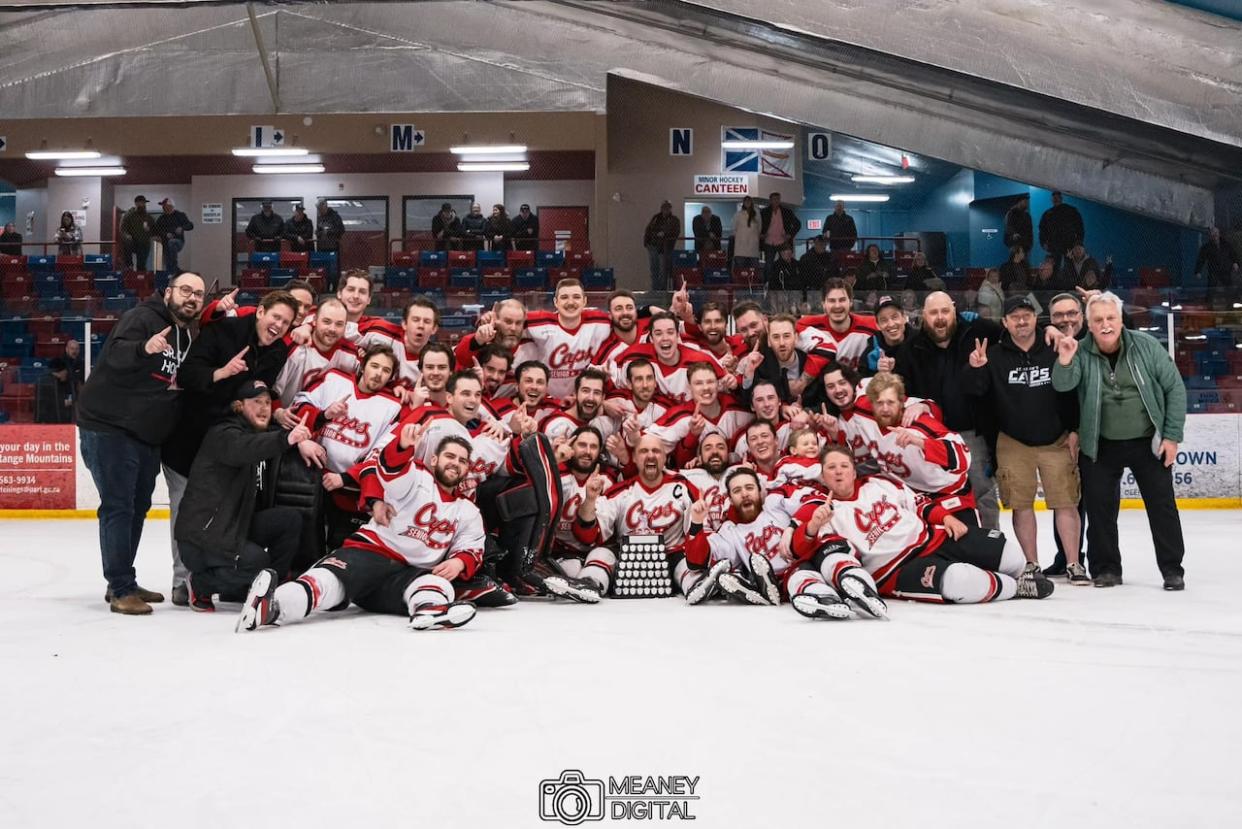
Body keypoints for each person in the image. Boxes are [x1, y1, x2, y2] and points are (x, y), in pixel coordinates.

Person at [236, 434, 485, 632]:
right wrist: (402, 446)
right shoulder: (417, 476)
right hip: (369, 553)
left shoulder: (467, 510)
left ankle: (430, 613)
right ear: (434, 460)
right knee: (328, 581)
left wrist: (458, 561)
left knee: (438, 583)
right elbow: (390, 469)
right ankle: (271, 607)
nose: (455, 463)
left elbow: (472, 544)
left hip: (406, 576)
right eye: (450, 456)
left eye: (462, 461)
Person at [77, 271, 205, 614]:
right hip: (109, 427)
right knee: (119, 506)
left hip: (144, 435)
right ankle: (120, 589)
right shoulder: (143, 318)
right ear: (168, 293)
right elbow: (116, 354)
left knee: (137, 508)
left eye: (199, 295)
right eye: (186, 291)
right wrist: (143, 347)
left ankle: (124, 581)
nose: (192, 298)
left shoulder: (184, 334)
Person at [786, 446, 1054, 604]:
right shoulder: (820, 507)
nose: (838, 471)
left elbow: (920, 504)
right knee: (959, 581)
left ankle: (1020, 574)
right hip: (898, 570)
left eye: (844, 465)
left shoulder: (879, 483)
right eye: (831, 468)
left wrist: (945, 517)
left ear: (854, 471)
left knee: (1010, 554)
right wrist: (811, 528)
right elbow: (796, 548)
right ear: (822, 476)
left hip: (933, 538)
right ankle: (1016, 588)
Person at [1052, 291, 1186, 590]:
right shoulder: (1080, 350)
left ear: (1121, 319)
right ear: (1089, 323)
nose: (1105, 324)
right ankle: (1107, 569)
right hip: (1100, 444)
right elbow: (1063, 384)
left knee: (1162, 506)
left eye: (1111, 318)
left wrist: (1172, 436)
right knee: (1100, 510)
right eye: (1098, 320)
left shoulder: (1146, 346)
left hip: (1147, 441)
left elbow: (1174, 389)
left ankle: (1172, 569)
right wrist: (1065, 358)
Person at [963, 295, 1087, 583]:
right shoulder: (992, 356)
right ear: (1005, 322)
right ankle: (1031, 564)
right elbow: (977, 394)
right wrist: (975, 370)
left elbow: (1072, 391)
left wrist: (1074, 429)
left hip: (1056, 439)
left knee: (1066, 502)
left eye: (1027, 315)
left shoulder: (1054, 347)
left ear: (1036, 319)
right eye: (1015, 316)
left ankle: (1074, 563)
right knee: (1021, 504)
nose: (1021, 321)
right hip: (1012, 441)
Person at [176, 379, 318, 612]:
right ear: (239, 406)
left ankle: (269, 589)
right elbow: (245, 447)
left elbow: (268, 439)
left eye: (267, 403)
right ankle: (200, 585)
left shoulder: (256, 433)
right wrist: (288, 439)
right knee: (257, 564)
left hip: (234, 524)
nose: (264, 408)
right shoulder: (224, 433)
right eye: (256, 402)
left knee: (289, 520)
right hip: (203, 537)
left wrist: (300, 441)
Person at [894, 291, 1005, 529]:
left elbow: (1018, 332)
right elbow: (900, 388)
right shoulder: (911, 348)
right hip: (930, 439)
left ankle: (990, 544)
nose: (940, 318)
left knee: (983, 492)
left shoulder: (979, 331)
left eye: (945, 311)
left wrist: (1048, 330)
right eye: (933, 313)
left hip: (971, 434)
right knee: (933, 497)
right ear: (923, 316)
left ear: (954, 311)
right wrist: (917, 403)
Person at [514, 278, 612, 399]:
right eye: (564, 297)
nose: (570, 302)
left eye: (576, 297)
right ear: (556, 302)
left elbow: (628, 321)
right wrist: (488, 321)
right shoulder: (538, 321)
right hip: (545, 399)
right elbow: (508, 321)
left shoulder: (601, 322)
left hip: (582, 400)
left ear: (584, 301)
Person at [862, 295, 915, 376]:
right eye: (884, 320)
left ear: (904, 318)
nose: (891, 324)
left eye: (894, 317)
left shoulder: (920, 342)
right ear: (877, 325)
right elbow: (863, 383)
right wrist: (878, 372)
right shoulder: (872, 349)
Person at [1038, 191, 1084, 273]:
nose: (1055, 199)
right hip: (1054, 246)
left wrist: (1078, 243)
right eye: (1054, 197)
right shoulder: (1047, 214)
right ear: (1052, 199)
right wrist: (1043, 243)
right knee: (1054, 268)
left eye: (1057, 197)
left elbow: (1079, 227)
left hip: (1069, 245)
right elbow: (1042, 230)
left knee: (1070, 268)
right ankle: (1054, 285)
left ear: (1061, 198)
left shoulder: (1070, 211)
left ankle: (1069, 284)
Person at [760, 192, 801, 279]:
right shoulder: (764, 212)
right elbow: (758, 225)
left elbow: (798, 224)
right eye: (774, 199)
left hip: (782, 241)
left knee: (786, 262)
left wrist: (790, 234)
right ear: (770, 200)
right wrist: (761, 234)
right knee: (769, 265)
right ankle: (768, 284)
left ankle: (787, 281)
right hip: (769, 242)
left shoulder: (787, 212)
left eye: (778, 199)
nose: (776, 201)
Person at [643, 200, 680, 291]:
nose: (666, 209)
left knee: (663, 271)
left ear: (670, 209)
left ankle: (662, 291)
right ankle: (655, 290)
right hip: (653, 246)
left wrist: (664, 234)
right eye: (664, 207)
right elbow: (648, 230)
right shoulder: (656, 218)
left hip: (665, 248)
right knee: (654, 270)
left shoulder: (674, 220)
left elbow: (675, 232)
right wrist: (646, 242)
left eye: (667, 208)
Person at [153, 198, 193, 274]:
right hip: (165, 243)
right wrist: (165, 234)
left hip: (178, 241)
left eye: (165, 206)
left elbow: (190, 225)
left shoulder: (180, 215)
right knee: (167, 260)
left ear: (171, 206)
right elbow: (156, 230)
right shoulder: (161, 219)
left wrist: (182, 228)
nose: (163, 208)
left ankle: (174, 267)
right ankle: (171, 273)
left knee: (172, 242)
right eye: (163, 206)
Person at [314, 198, 345, 291]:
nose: (319, 210)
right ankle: (325, 289)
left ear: (325, 206)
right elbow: (318, 232)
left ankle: (335, 290)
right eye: (318, 209)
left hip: (333, 248)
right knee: (323, 270)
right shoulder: (320, 218)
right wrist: (319, 233)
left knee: (334, 272)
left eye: (320, 208)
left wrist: (328, 232)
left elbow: (341, 230)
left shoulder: (335, 216)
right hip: (321, 248)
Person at [35, 356, 76, 423]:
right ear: (59, 372)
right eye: (66, 372)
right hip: (52, 422)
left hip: (50, 421)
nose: (67, 374)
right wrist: (64, 402)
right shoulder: (49, 384)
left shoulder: (43, 381)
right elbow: (51, 405)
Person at [798, 235, 838, 303]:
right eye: (820, 244)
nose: (822, 246)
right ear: (815, 244)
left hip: (828, 289)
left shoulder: (830, 257)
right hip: (812, 290)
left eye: (824, 244)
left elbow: (835, 272)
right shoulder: (806, 258)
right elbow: (803, 277)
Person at [120, 195, 156, 270]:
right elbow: (123, 229)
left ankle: (141, 277)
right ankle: (129, 265)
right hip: (132, 242)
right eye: (141, 203)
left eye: (144, 203)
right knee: (127, 241)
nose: (143, 205)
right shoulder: (129, 215)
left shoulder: (148, 217)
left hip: (144, 243)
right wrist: (127, 236)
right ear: (136, 203)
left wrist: (149, 230)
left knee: (141, 266)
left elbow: (155, 230)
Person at [731, 196, 761, 269]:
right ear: (743, 203)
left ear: (752, 202)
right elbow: (733, 228)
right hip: (740, 249)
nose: (747, 202)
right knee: (740, 273)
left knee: (754, 273)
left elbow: (759, 229)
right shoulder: (738, 215)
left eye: (749, 201)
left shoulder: (757, 214)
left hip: (753, 249)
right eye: (746, 201)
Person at [767, 244, 799, 312]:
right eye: (785, 253)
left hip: (794, 291)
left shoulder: (796, 264)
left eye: (790, 253)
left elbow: (800, 279)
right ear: (781, 253)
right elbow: (773, 283)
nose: (788, 255)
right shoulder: (776, 265)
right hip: (780, 292)